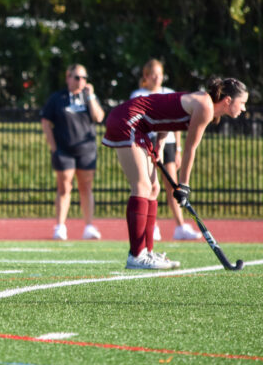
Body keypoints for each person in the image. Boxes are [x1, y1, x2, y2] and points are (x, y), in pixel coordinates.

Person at [103, 77, 248, 269]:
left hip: (142, 127)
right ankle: (136, 255)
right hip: (128, 120)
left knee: (153, 188)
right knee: (142, 186)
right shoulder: (205, 106)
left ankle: (147, 252)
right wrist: (184, 185)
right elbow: (190, 149)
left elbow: (168, 115)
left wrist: (160, 145)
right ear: (228, 100)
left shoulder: (205, 105)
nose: (244, 108)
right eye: (243, 103)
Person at [130, 59, 202, 241]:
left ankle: (180, 226)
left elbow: (175, 123)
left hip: (167, 141)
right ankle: (151, 226)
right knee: (151, 184)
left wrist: (177, 148)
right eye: (153, 74)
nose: (157, 78)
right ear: (146, 76)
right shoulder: (138, 94)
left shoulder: (169, 93)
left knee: (172, 185)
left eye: (159, 74)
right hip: (148, 141)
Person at [41, 64, 105, 241]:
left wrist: (91, 95)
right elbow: (45, 122)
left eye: (84, 77)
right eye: (77, 77)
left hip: (86, 150)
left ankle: (89, 226)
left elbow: (99, 117)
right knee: (64, 187)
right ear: (68, 77)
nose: (81, 81)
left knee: (86, 187)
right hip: (64, 150)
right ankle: (60, 226)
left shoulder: (88, 97)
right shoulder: (58, 98)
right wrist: (54, 148)